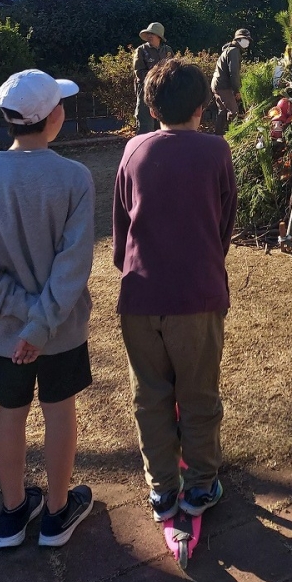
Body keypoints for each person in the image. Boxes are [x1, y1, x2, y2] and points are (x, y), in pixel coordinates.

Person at [0, 69, 95, 549]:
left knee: (11, 411)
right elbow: (73, 264)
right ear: (55, 117)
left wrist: (23, 320)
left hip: (5, 332)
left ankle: (12, 514)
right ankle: (58, 514)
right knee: (59, 411)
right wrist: (41, 323)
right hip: (59, 329)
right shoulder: (74, 177)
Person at [113, 59, 238, 523]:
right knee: (199, 393)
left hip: (140, 295)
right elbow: (225, 222)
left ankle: (162, 488)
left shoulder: (132, 150)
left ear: (150, 104)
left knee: (150, 396)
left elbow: (121, 226)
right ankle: (201, 483)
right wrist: (206, 261)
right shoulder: (215, 152)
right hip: (197, 293)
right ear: (202, 106)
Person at [132, 21, 173, 134]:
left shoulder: (167, 50)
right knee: (145, 123)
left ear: (159, 37)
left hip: (163, 91)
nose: (149, 36)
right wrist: (157, 77)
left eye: (152, 34)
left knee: (162, 122)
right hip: (146, 90)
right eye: (148, 34)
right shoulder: (141, 50)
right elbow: (139, 73)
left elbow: (173, 69)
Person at [211, 29, 251, 135]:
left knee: (222, 111)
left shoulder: (229, 49)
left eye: (248, 39)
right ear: (238, 39)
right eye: (245, 39)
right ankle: (234, 136)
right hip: (223, 86)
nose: (247, 42)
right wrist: (237, 90)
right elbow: (233, 73)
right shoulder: (234, 51)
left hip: (217, 84)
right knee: (234, 112)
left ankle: (218, 136)